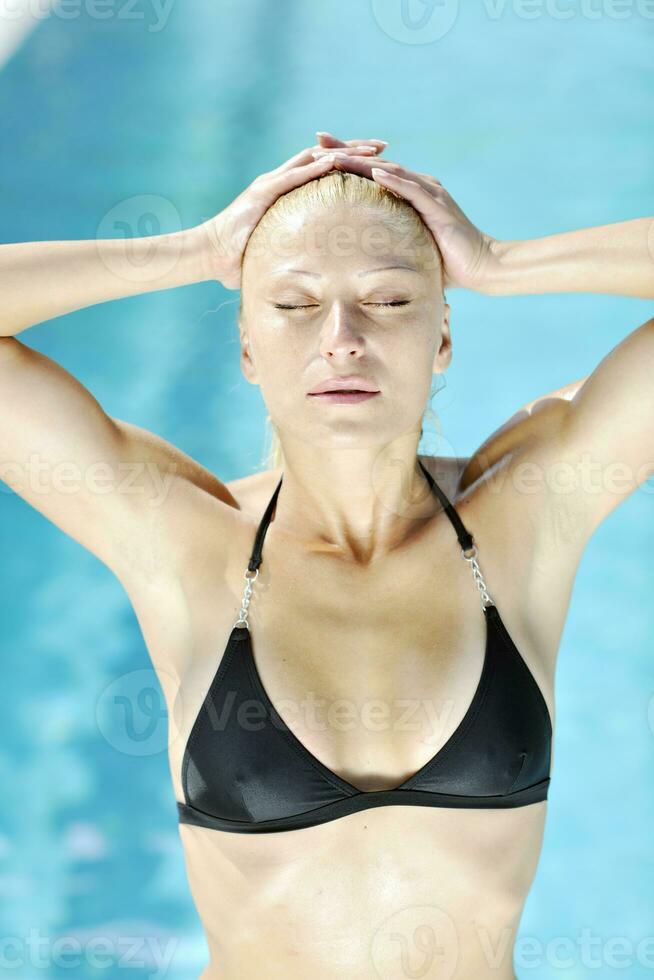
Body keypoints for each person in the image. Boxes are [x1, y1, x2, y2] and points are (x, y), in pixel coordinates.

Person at [1, 129, 652, 979]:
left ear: (443, 337)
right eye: (294, 303)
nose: (341, 337)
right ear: (244, 347)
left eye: (388, 300)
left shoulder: (530, 514)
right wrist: (196, 250)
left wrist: (499, 261)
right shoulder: (184, 540)